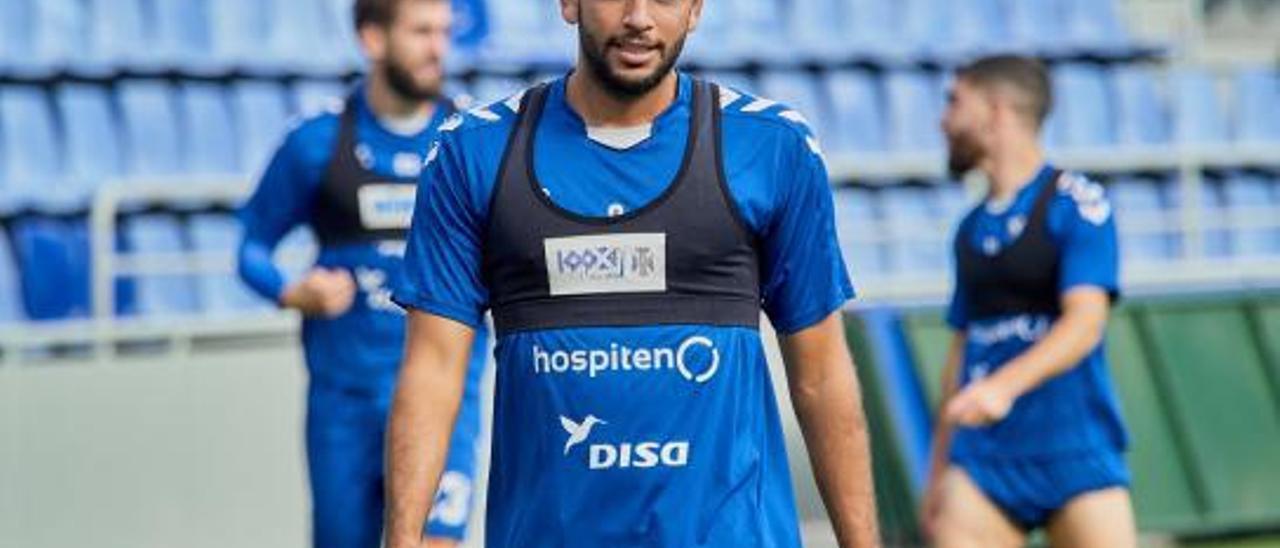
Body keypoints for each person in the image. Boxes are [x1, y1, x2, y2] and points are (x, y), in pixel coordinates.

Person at [384, 0, 881, 546]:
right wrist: (401, 538)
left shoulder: (770, 145)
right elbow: (432, 371)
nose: (639, 16)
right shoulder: (473, 152)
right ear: (568, 4)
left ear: (694, 11)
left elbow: (821, 375)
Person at [236, 1, 486, 546]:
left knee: (432, 540)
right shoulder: (316, 143)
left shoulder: (472, 142)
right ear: (372, 38)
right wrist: (289, 291)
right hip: (344, 403)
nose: (437, 48)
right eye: (421, 32)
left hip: (446, 396)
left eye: (444, 33)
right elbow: (251, 245)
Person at [921, 55, 1136, 548]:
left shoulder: (1077, 204)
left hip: (1074, 455)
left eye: (955, 101)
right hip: (983, 465)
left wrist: (1002, 388)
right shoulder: (970, 229)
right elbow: (960, 355)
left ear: (996, 111)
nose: (943, 119)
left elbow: (1085, 325)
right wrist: (936, 476)